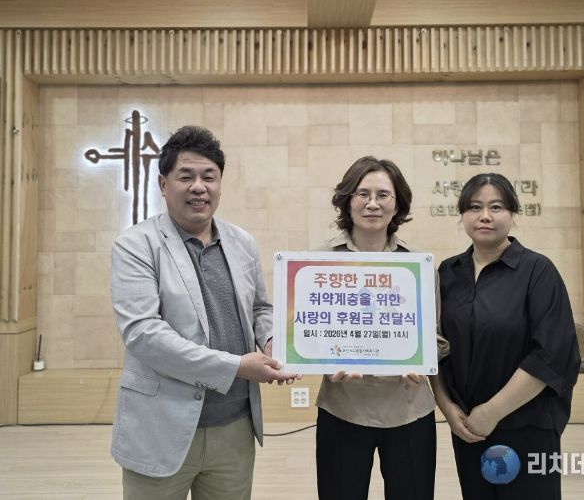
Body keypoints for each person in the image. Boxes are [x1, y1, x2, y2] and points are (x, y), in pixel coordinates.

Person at [110, 125, 296, 500]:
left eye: (209, 177)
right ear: (163, 184)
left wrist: (272, 340)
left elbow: (260, 307)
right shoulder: (135, 245)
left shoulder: (242, 242)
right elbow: (144, 335)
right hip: (160, 426)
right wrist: (237, 367)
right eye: (186, 176)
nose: (199, 187)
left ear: (220, 184)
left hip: (235, 428)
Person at [433, 173, 580, 499]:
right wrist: (447, 408)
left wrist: (492, 412)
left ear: (513, 213)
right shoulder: (447, 273)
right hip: (467, 428)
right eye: (475, 207)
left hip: (527, 426)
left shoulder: (538, 271)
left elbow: (551, 354)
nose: (485, 216)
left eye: (496, 207)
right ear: (463, 214)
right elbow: (435, 346)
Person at [315, 155, 446, 500]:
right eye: (362, 194)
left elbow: (434, 336)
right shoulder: (317, 262)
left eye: (383, 195)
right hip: (343, 408)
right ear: (347, 200)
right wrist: (325, 361)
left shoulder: (419, 265)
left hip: (409, 410)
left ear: (397, 204)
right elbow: (308, 334)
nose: (372, 203)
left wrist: (422, 360)